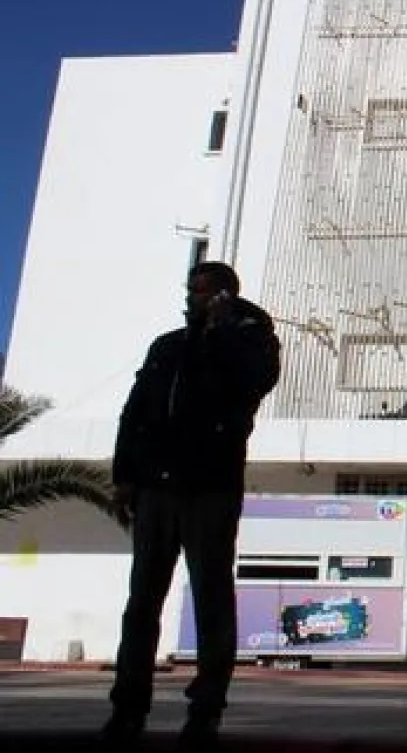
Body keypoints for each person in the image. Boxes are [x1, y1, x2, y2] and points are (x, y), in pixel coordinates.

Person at [102, 261, 282, 746]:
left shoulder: (250, 339)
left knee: (211, 598)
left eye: (206, 290)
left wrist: (224, 328)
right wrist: (125, 477)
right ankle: (128, 706)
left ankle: (206, 709)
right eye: (193, 289)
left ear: (226, 294)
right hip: (157, 487)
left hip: (211, 487)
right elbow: (135, 411)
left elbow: (254, 382)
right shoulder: (168, 347)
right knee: (142, 601)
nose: (195, 297)